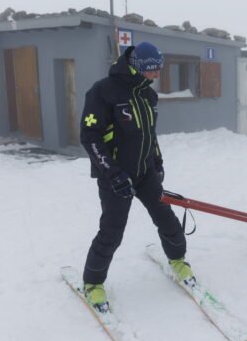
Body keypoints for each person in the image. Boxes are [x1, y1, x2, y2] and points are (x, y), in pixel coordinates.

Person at [79, 41, 193, 312]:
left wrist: (157, 162)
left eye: (159, 69)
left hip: (145, 173)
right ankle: (93, 283)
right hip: (116, 177)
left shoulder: (147, 95)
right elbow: (90, 137)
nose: (156, 75)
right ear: (137, 67)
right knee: (112, 232)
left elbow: (149, 135)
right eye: (152, 69)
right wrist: (112, 173)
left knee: (167, 219)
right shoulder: (103, 91)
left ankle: (178, 260)